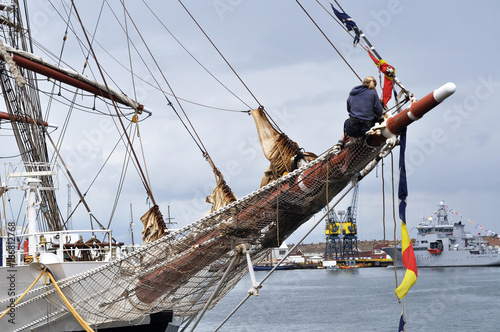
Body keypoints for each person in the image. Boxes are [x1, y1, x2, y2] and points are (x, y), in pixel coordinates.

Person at [339, 76, 384, 146]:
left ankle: (341, 141)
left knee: (347, 122)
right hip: (365, 129)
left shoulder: (353, 93)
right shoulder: (373, 93)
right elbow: (379, 111)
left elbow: (349, 109)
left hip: (352, 129)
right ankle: (361, 139)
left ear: (363, 82)